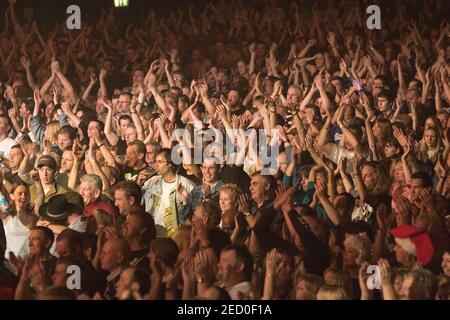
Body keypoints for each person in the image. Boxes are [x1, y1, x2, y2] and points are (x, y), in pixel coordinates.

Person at [143, 148, 195, 236]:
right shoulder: (152, 182)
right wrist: (138, 183)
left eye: (160, 162)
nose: (156, 165)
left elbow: (193, 212)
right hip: (153, 233)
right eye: (155, 161)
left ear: (170, 163)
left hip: (174, 235)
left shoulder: (187, 185)